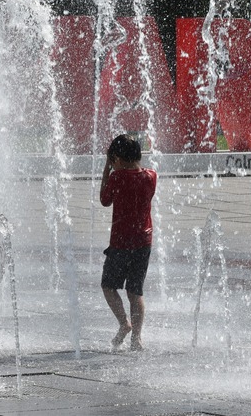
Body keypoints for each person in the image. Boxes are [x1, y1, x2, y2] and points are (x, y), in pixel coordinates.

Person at [99, 134, 157, 351]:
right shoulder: (151, 176)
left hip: (121, 243)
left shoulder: (116, 178)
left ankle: (124, 323)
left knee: (108, 286)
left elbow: (105, 200)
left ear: (117, 159)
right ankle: (137, 339)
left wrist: (106, 172)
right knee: (135, 292)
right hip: (144, 241)